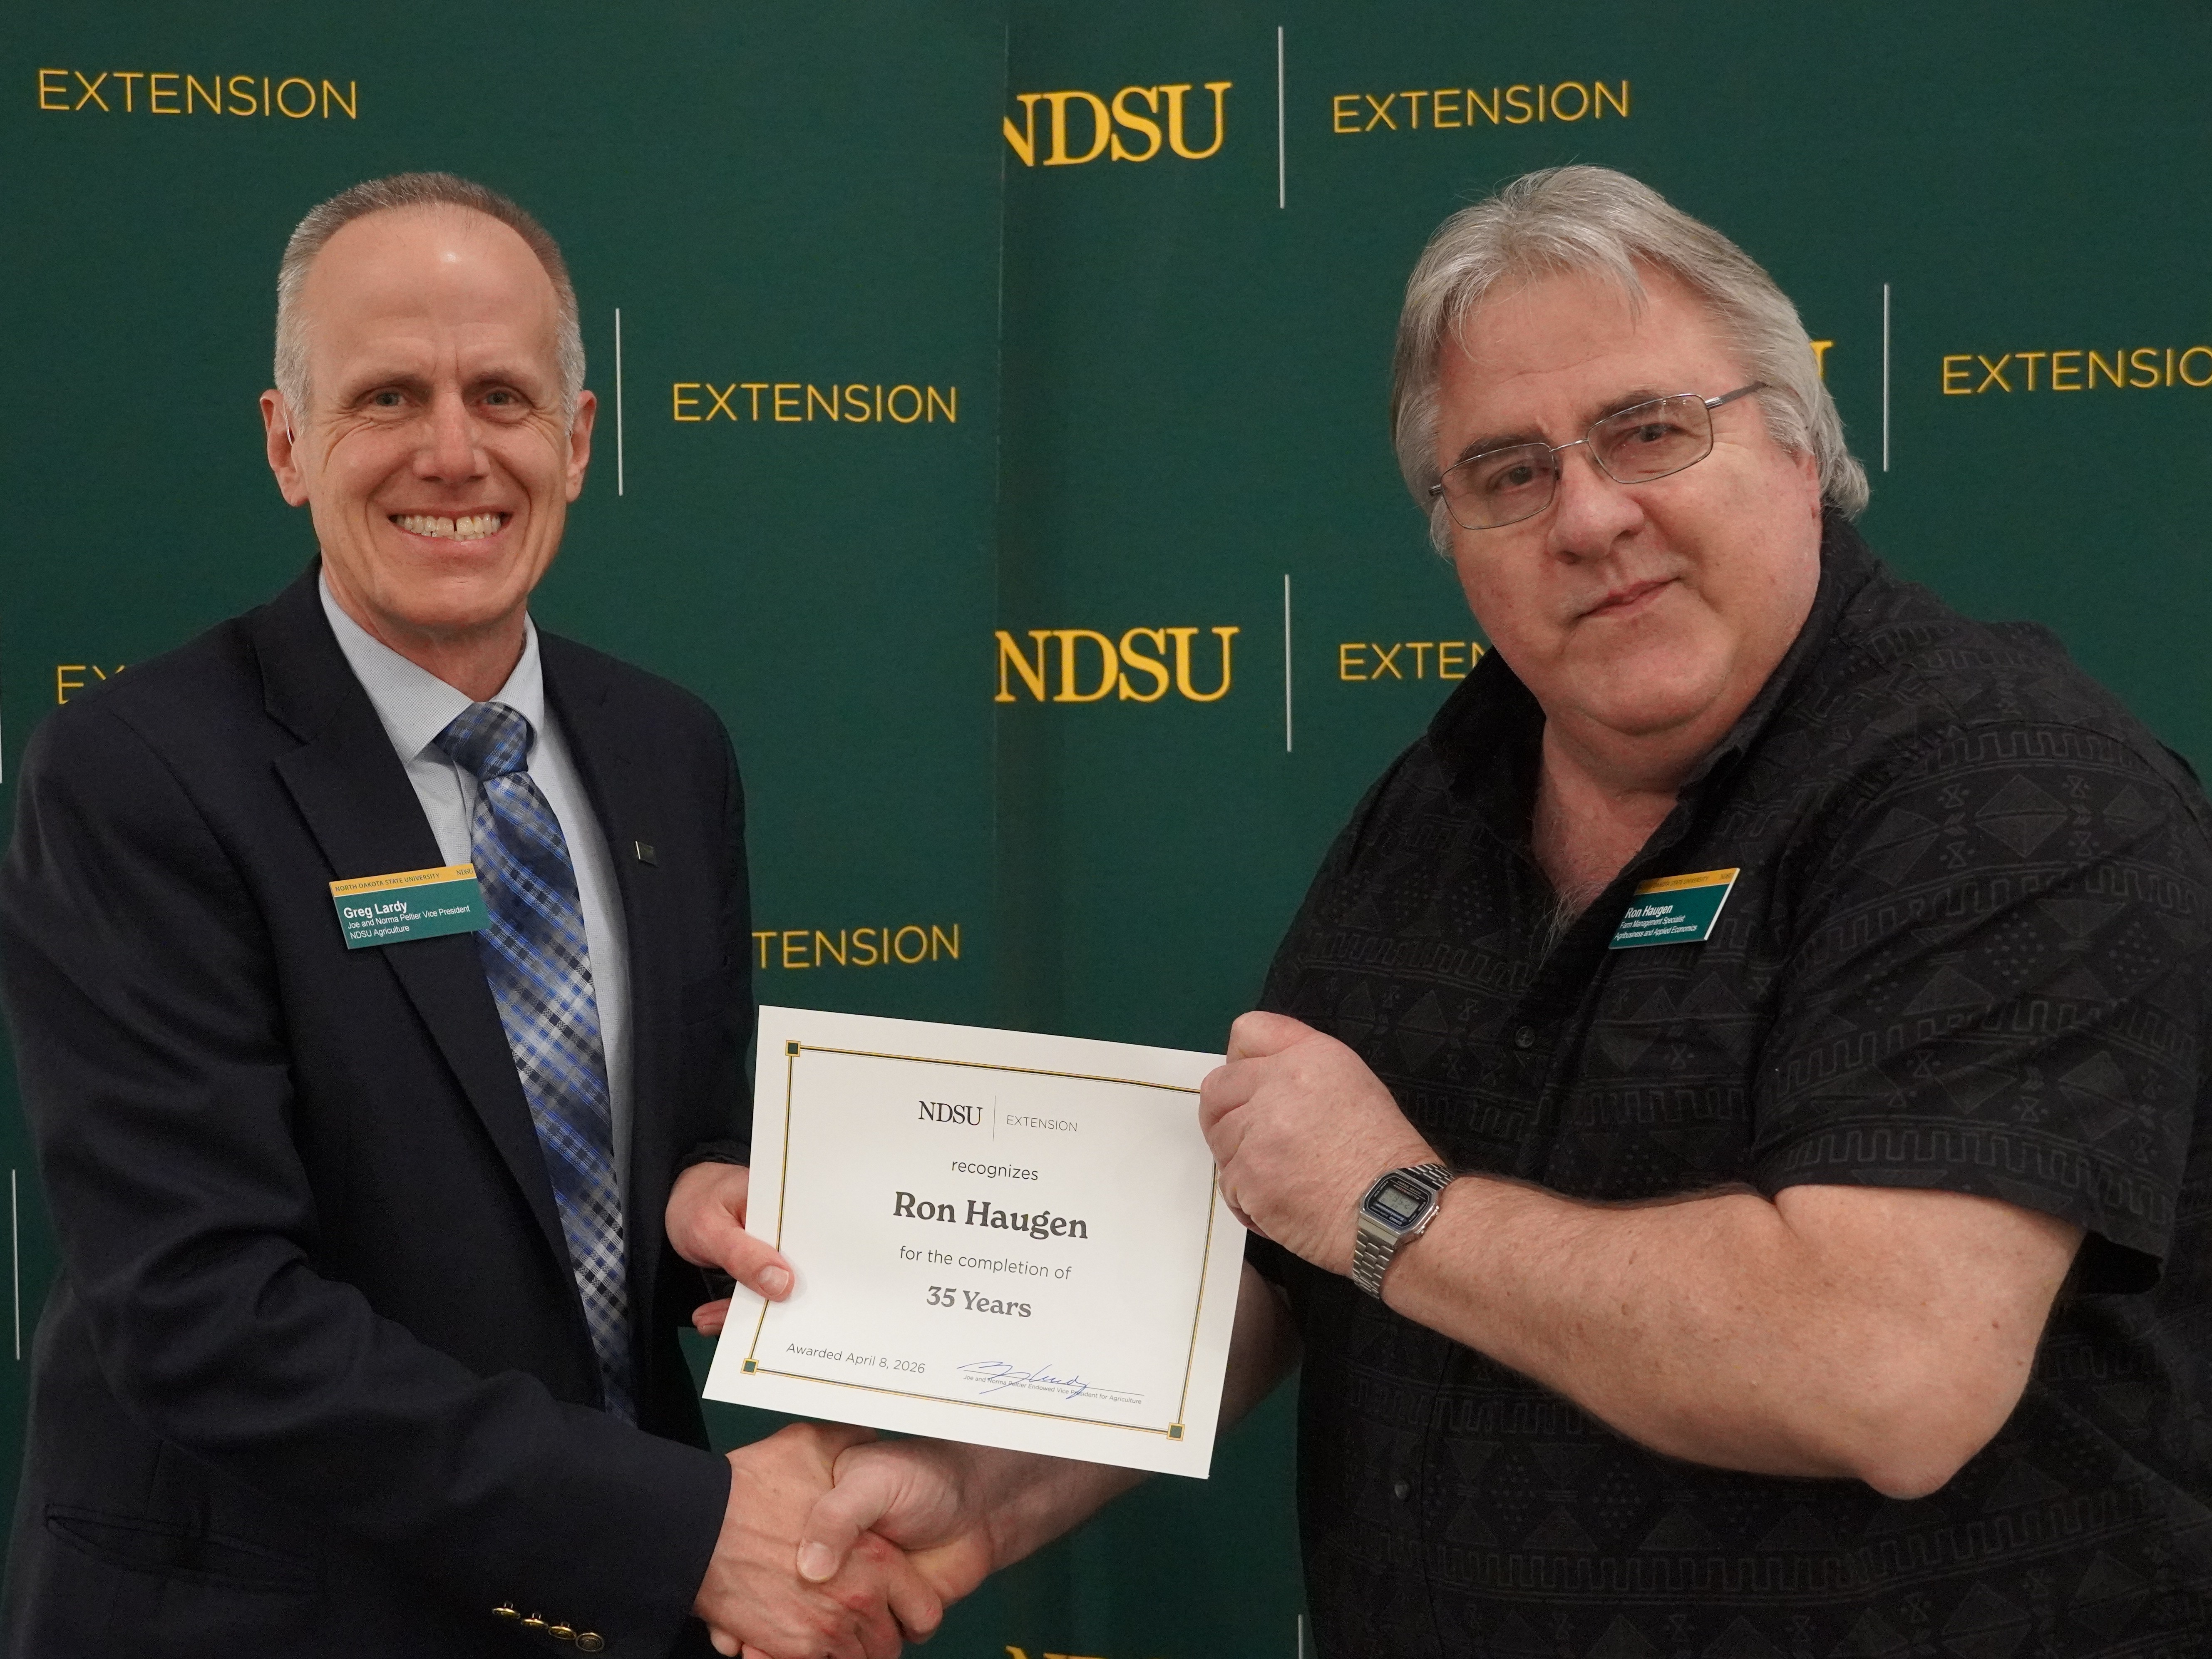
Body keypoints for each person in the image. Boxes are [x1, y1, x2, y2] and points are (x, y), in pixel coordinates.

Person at [795, 166, 2212, 1653]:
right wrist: (976, 1493)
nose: (1589, 515)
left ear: (1800, 450)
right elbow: (1282, 1252)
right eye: (1508, 472)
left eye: (1648, 430)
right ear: (1452, 531)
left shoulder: (2008, 786)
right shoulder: (1443, 796)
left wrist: (1393, 1205)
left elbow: (1882, 1368)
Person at [0, 173, 938, 1659]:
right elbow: (204, 1309)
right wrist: (681, 1531)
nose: (452, 452)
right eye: (387, 396)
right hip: (279, 1616)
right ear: (287, 445)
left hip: (618, 1611)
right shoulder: (138, 776)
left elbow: (675, 1135)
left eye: (501, 395)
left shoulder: (667, 749)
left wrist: (701, 1205)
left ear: (573, 441)